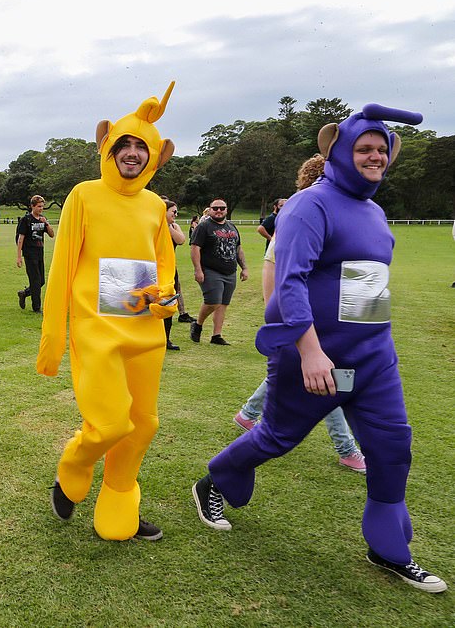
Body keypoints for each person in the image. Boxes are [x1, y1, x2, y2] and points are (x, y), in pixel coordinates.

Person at [192, 104, 447, 593]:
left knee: (394, 449)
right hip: (314, 356)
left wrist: (380, 347)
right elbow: (289, 281)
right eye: (363, 148)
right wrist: (309, 350)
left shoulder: (373, 210)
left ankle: (389, 549)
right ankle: (215, 480)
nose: (374, 156)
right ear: (341, 152)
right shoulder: (311, 204)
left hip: (374, 357)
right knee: (277, 437)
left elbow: (368, 285)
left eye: (381, 149)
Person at [38, 83, 179, 541]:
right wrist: (53, 340)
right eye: (126, 144)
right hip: (96, 330)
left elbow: (163, 263)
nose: (134, 153)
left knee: (142, 424)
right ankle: (74, 463)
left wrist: (166, 297)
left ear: (155, 157)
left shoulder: (157, 205)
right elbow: (60, 269)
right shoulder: (83, 195)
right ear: (109, 148)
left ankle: (121, 497)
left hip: (144, 331)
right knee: (110, 422)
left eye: (143, 147)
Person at [233, 156, 365, 473]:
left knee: (301, 376)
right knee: (328, 381)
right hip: (301, 319)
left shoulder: (341, 219)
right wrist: (282, 321)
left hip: (329, 319)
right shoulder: (299, 217)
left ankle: (248, 414)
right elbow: (275, 274)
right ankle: (347, 449)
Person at [189, 198, 248, 345]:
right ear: (209, 210)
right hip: (210, 270)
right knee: (213, 302)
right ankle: (198, 324)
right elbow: (195, 248)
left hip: (230, 271)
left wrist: (244, 268)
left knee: (223, 304)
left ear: (226, 210)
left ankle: (217, 335)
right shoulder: (204, 227)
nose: (219, 210)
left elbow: (238, 249)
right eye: (215, 208)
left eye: (222, 208)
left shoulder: (232, 227)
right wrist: (198, 270)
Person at [162, 199, 193, 350]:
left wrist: (167, 225)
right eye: (173, 211)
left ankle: (166, 339)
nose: (176, 214)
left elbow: (181, 240)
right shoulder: (153, 226)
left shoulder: (173, 226)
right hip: (154, 270)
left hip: (170, 270)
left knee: (169, 305)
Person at [15, 194, 55, 313]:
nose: (41, 209)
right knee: (35, 281)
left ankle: (24, 293)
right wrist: (19, 256)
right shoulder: (26, 220)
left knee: (41, 281)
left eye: (42, 206)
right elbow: (20, 238)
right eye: (38, 206)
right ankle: (36, 308)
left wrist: (46, 223)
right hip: (29, 253)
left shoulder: (43, 219)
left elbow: (52, 235)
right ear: (32, 206)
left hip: (39, 253)